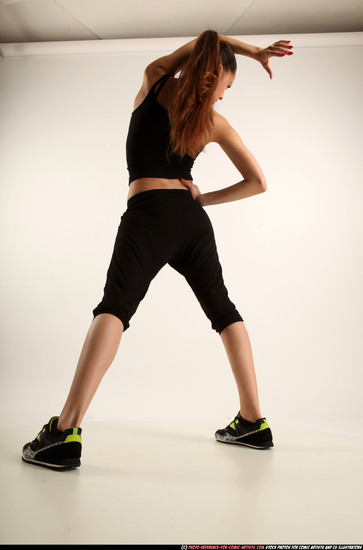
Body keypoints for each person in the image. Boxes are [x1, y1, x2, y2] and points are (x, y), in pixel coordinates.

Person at [22, 30, 293, 470]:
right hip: (190, 220)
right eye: (227, 86)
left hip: (149, 213)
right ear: (217, 76)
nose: (223, 97)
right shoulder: (214, 122)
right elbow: (257, 182)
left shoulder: (153, 81)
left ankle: (63, 432)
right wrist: (201, 200)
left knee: (115, 307)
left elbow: (206, 38)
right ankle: (253, 421)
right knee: (224, 312)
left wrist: (245, 49)